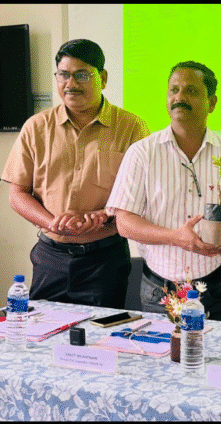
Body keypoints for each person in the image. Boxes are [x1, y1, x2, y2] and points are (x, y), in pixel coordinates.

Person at [105, 61, 221, 322]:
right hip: (160, 290)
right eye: (174, 90)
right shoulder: (142, 153)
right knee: (164, 350)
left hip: (218, 287)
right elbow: (124, 223)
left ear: (212, 103)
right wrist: (175, 237)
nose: (179, 97)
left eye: (191, 91)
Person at [1, 39, 150, 308]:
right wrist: (51, 222)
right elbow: (17, 193)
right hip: (50, 257)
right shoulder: (36, 127)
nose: (71, 84)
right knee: (44, 328)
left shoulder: (131, 127)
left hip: (105, 259)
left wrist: (106, 214)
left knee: (103, 331)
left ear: (103, 78)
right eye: (63, 75)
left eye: (82, 75)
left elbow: (144, 194)